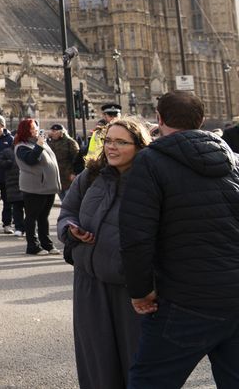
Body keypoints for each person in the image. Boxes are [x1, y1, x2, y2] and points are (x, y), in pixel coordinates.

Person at [120, 91, 239, 387]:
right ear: (201, 119)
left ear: (159, 119)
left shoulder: (150, 161)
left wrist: (140, 291)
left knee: (150, 381)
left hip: (185, 300)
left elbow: (136, 237)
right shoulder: (233, 160)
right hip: (234, 295)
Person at [58, 115, 152, 389]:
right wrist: (70, 229)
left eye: (121, 142)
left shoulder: (150, 180)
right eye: (108, 140)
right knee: (96, 362)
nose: (111, 147)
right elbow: (67, 212)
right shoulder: (91, 175)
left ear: (139, 146)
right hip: (89, 283)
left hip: (130, 287)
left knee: (136, 363)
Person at [14, 117, 60, 255]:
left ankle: (47, 244)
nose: (36, 131)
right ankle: (33, 245)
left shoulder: (40, 143)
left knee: (43, 217)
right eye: (33, 128)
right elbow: (31, 159)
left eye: (36, 127)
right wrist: (39, 144)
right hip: (34, 188)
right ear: (26, 131)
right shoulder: (21, 146)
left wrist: (40, 143)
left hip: (48, 187)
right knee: (32, 217)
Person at [0, 141, 25, 238]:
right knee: (17, 208)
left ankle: (28, 228)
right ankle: (19, 228)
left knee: (30, 209)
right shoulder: (7, 152)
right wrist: (7, 163)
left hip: (27, 183)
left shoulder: (27, 150)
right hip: (13, 184)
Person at [46, 122, 82, 198]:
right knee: (63, 199)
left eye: (55, 131)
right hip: (56, 177)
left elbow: (77, 158)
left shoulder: (70, 142)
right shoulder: (49, 142)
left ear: (61, 132)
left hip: (68, 176)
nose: (53, 133)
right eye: (52, 131)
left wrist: (74, 173)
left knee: (69, 200)